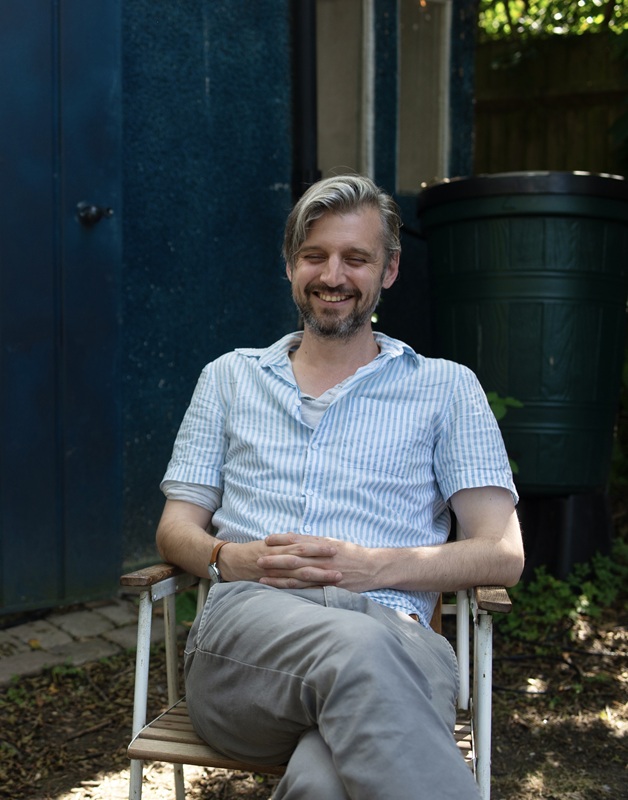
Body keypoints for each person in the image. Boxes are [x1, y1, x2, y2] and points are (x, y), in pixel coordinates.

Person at [156, 174, 524, 799]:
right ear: (291, 265)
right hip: (248, 644)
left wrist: (372, 568)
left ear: (390, 270)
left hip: (399, 639)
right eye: (315, 256)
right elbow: (174, 527)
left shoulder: (446, 388)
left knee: (326, 781)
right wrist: (228, 558)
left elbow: (503, 554)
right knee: (358, 654)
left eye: (356, 258)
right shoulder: (229, 378)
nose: (334, 275)